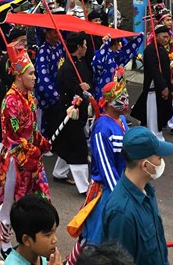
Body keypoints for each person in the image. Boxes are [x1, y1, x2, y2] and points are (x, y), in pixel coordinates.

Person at [67, 70, 130, 264]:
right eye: (122, 98)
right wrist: (119, 192)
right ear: (110, 102)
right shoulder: (103, 127)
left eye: (126, 96)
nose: (126, 101)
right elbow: (105, 165)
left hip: (121, 187)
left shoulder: (123, 121)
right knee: (94, 235)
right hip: (106, 191)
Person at [0, 39, 52, 257]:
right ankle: (4, 244)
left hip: (31, 158)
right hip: (14, 160)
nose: (35, 78)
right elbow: (14, 137)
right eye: (31, 74)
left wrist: (41, 140)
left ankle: (34, 240)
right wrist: (31, 149)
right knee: (10, 202)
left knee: (39, 199)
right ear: (19, 75)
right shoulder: (11, 101)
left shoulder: (29, 97)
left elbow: (32, 129)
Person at [101, 126, 173, 265]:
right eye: (159, 157)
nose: (162, 162)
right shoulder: (122, 212)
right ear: (145, 165)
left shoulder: (147, 191)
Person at [51, 32, 93, 194]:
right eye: (84, 44)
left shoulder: (82, 63)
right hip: (70, 113)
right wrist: (80, 89)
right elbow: (70, 89)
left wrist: (87, 88)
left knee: (68, 144)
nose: (86, 47)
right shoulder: (67, 68)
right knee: (78, 148)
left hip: (82, 113)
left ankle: (59, 172)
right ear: (78, 47)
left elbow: (88, 82)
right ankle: (84, 187)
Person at [133, 24, 173, 141]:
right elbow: (154, 70)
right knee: (153, 114)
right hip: (154, 87)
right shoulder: (150, 50)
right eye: (164, 37)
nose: (166, 39)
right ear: (156, 36)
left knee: (160, 113)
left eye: (167, 37)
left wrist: (169, 87)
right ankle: (153, 137)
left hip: (163, 86)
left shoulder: (161, 50)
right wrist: (163, 87)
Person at [4, 194, 63, 265]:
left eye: (54, 232)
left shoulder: (39, 254)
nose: (55, 240)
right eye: (48, 235)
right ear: (27, 240)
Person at [34, 27, 65, 132]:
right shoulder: (43, 51)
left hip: (60, 96)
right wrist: (55, 95)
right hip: (48, 99)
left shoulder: (60, 46)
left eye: (58, 32)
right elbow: (43, 79)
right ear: (47, 34)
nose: (58, 35)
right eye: (54, 32)